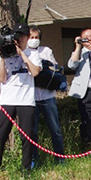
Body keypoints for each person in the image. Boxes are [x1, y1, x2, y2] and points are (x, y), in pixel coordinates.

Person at [0, 23, 40, 180]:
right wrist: (2, 57)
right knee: (0, 137)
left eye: (21, 37)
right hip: (7, 100)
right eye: (16, 37)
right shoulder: (4, 54)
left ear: (26, 37)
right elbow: (2, 78)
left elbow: (35, 72)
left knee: (27, 137)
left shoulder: (32, 54)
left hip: (26, 101)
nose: (18, 40)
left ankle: (26, 171)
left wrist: (22, 55)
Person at [27, 25, 65, 165]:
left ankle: (60, 158)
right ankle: (34, 161)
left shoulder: (46, 51)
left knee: (55, 129)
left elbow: (54, 69)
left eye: (36, 37)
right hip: (31, 97)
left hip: (48, 95)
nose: (34, 40)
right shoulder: (24, 53)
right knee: (33, 131)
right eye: (31, 37)